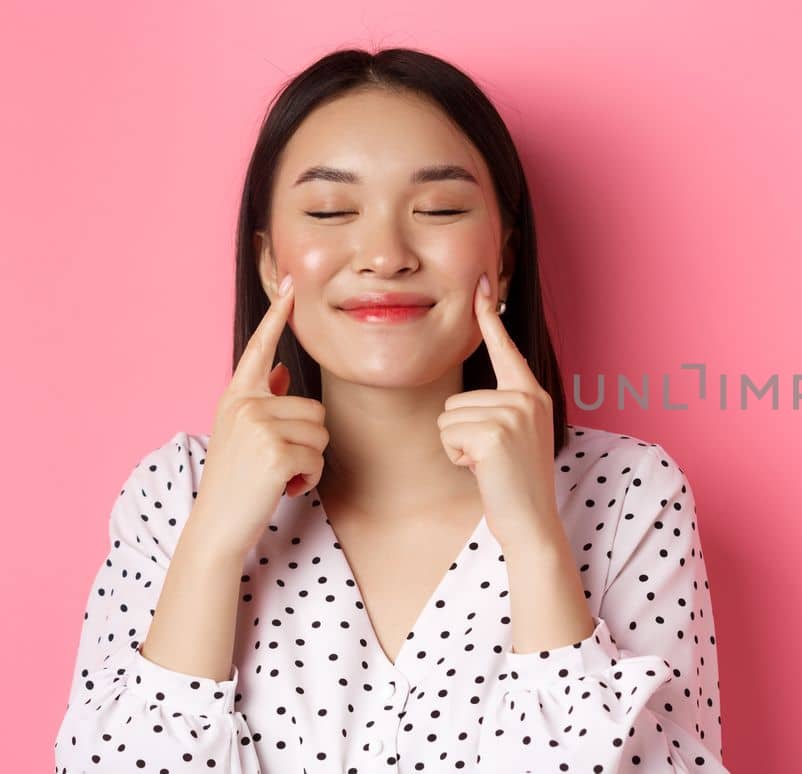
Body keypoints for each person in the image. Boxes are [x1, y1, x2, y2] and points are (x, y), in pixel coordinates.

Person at [52, 47, 727, 773]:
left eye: (438, 209)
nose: (384, 254)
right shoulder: (173, 495)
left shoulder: (627, 493)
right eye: (330, 211)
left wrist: (534, 539)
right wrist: (213, 543)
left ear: (502, 256)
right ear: (269, 261)